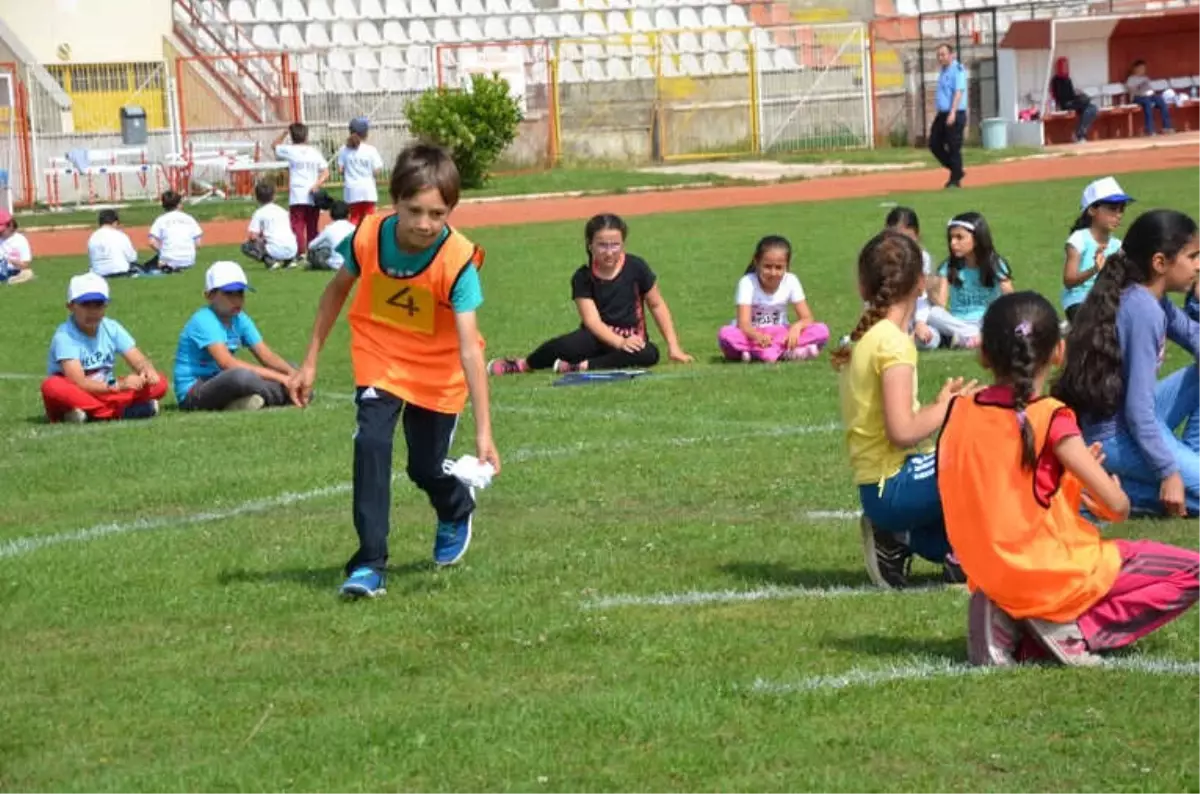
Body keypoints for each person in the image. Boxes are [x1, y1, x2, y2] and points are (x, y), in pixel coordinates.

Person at [943, 291, 1199, 667]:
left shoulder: (959, 411)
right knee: (1192, 570)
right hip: (1050, 571)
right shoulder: (1052, 417)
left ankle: (1005, 615)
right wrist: (1101, 486)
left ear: (984, 354)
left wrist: (1068, 484)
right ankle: (1072, 627)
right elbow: (1118, 505)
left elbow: (1012, 494)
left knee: (1039, 569)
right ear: (1059, 352)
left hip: (986, 571)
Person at [290, 143, 500, 599]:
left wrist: (484, 431)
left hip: (438, 370)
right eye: (415, 210)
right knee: (371, 441)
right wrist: (309, 361)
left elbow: (469, 350)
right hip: (379, 354)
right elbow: (334, 293)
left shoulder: (459, 261)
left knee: (424, 467)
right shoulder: (367, 236)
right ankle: (369, 563)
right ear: (395, 201)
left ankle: (455, 505)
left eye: (438, 214)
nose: (425, 224)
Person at [832, 230, 975, 589]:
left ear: (863, 286)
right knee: (982, 459)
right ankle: (961, 560)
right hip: (892, 485)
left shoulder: (868, 336)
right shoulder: (893, 343)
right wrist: (949, 407)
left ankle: (900, 539)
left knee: (964, 533)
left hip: (881, 486)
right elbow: (902, 431)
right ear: (920, 285)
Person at [1054, 209, 1200, 518]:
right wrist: (1168, 470)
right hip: (1114, 435)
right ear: (1160, 263)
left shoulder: (1151, 297)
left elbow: (1194, 336)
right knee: (1187, 494)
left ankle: (1189, 463)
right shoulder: (1142, 308)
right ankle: (1095, 492)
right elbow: (1137, 412)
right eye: (1193, 257)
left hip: (1133, 421)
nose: (1199, 266)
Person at [486, 214, 693, 375]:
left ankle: (581, 367)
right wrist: (618, 342)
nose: (609, 251)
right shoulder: (582, 277)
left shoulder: (637, 267)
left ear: (624, 244)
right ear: (590, 244)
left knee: (650, 354)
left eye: (615, 245)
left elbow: (656, 305)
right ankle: (523, 364)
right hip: (595, 338)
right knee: (564, 345)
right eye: (602, 245)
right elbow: (592, 321)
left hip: (632, 340)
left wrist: (674, 347)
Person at [40, 273, 166, 423]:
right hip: (81, 392)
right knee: (52, 385)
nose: (93, 311)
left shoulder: (111, 327)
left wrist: (147, 371)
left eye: (98, 305)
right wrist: (120, 386)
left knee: (160, 383)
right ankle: (118, 411)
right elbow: (79, 382)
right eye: (86, 305)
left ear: (106, 306)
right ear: (70, 307)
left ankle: (91, 413)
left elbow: (138, 359)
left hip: (106, 390)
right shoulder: (65, 336)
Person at [174, 261, 298, 412]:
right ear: (209, 296)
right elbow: (227, 363)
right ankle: (284, 396)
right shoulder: (204, 320)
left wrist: (293, 375)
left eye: (240, 293)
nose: (236, 300)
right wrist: (282, 379)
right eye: (229, 294)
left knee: (292, 367)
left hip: (222, 382)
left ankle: (247, 402)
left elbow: (266, 356)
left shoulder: (240, 318)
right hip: (195, 391)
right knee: (241, 377)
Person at [716, 235, 830, 363]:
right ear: (756, 262)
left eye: (779, 267)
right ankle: (787, 352)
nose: (773, 273)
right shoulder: (747, 282)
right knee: (726, 334)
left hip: (780, 334)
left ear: (786, 265)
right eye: (767, 266)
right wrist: (757, 336)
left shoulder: (791, 280)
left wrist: (796, 328)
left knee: (821, 330)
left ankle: (757, 354)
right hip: (752, 335)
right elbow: (744, 324)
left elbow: (807, 318)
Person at [927, 211, 1014, 348]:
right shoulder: (949, 266)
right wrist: (929, 287)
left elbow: (1010, 298)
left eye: (959, 237)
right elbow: (941, 305)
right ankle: (975, 337)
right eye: (951, 238)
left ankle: (963, 339)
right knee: (932, 314)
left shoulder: (994, 264)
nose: (953, 243)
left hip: (985, 320)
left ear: (977, 238)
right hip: (957, 320)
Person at [1062, 177, 1132, 324]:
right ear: (1092, 210)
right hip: (1079, 300)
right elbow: (1068, 281)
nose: (1118, 215)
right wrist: (1094, 269)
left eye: (1121, 210)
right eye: (1112, 209)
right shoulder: (1079, 240)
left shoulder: (1117, 246)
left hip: (1106, 299)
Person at [884, 206, 939, 350]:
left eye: (908, 237)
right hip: (891, 316)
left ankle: (964, 335)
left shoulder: (922, 258)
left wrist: (920, 322)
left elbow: (922, 297)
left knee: (932, 336)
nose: (903, 244)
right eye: (897, 237)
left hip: (918, 316)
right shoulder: (882, 258)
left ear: (917, 235)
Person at [273, 121, 329, 258]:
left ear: (292, 137)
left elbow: (274, 146)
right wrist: (317, 184)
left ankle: (300, 251)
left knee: (297, 225)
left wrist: (284, 132)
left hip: (297, 193)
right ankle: (313, 250)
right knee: (312, 225)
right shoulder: (314, 152)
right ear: (306, 136)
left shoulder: (290, 150)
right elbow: (326, 172)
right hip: (312, 193)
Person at [930, 43, 968, 189]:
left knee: (953, 147)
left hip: (955, 113)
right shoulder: (943, 71)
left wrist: (952, 112)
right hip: (942, 113)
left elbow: (958, 92)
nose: (940, 58)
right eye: (939, 55)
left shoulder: (957, 70)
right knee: (934, 144)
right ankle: (957, 170)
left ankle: (955, 180)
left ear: (951, 55)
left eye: (943, 54)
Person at [336, 116, 385, 225]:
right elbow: (377, 170)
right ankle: (369, 241)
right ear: (365, 133)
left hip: (352, 190)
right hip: (368, 189)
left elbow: (340, 170)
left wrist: (349, 173)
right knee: (370, 220)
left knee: (354, 219)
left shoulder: (344, 150)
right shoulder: (371, 150)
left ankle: (354, 241)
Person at [241, 181, 299, 269]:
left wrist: (262, 239)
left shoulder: (259, 213)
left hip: (275, 249)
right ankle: (290, 260)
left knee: (246, 246)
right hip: (293, 248)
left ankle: (270, 261)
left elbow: (252, 236)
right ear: (273, 196)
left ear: (257, 197)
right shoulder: (282, 211)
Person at [146, 190, 203, 273]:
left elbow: (152, 242)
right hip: (189, 261)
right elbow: (198, 243)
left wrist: (163, 252)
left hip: (168, 260)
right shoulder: (189, 219)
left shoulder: (161, 220)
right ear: (179, 204)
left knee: (150, 265)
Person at [1049, 57, 1099, 143]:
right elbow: (1060, 97)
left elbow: (1072, 94)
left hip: (1073, 103)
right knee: (1084, 101)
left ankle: (1079, 134)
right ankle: (1079, 135)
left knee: (1092, 108)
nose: (1065, 68)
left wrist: (1078, 95)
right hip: (1065, 104)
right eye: (1063, 66)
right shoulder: (1056, 80)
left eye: (1066, 66)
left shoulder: (1068, 79)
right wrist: (1078, 99)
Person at [87, 209, 141, 278]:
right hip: (120, 273)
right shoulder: (120, 235)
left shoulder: (92, 237)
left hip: (98, 275)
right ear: (115, 222)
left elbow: (91, 260)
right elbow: (132, 258)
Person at [1125, 60, 1174, 136]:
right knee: (1147, 103)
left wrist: (1151, 93)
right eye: (1141, 68)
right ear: (1136, 69)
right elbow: (1131, 90)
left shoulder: (1146, 78)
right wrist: (1140, 85)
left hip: (1149, 96)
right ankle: (1150, 130)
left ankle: (1167, 127)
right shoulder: (1131, 79)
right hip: (1137, 97)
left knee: (1161, 101)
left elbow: (1150, 89)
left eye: (1144, 68)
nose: (1143, 70)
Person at [306, 200, 356, 270]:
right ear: (348, 215)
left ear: (331, 215)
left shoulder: (329, 229)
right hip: (353, 265)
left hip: (335, 265)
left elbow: (311, 245)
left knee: (315, 252)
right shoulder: (354, 228)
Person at [0, 209, 33, 285]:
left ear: (10, 226)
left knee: (27, 273)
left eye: (2, 231)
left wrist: (10, 261)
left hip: (13, 270)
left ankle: (10, 280)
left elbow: (25, 264)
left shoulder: (20, 240)